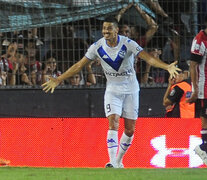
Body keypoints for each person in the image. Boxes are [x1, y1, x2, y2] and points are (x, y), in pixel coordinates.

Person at [42, 17, 180, 168]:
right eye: (104, 29)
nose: (105, 32)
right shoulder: (97, 47)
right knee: (113, 122)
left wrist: (167, 67)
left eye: (108, 29)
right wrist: (58, 79)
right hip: (113, 91)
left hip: (131, 90)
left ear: (116, 30)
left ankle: (119, 161)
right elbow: (79, 65)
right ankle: (112, 162)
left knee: (129, 129)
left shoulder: (127, 44)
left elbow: (148, 58)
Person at [187, 15, 207, 165]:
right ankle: (203, 148)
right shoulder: (199, 40)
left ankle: (203, 148)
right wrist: (195, 90)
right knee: (205, 118)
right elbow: (193, 66)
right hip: (204, 88)